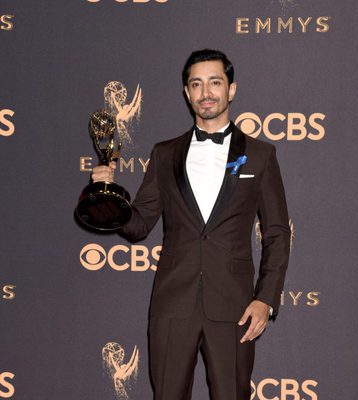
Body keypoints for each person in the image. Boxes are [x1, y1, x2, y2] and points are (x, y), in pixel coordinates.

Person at [92, 49, 291, 400]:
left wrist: (265, 298)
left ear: (231, 90)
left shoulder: (261, 155)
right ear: (187, 93)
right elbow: (138, 226)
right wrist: (109, 197)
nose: (206, 92)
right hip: (172, 303)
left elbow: (276, 233)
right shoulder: (165, 153)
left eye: (215, 82)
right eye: (196, 84)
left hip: (235, 306)